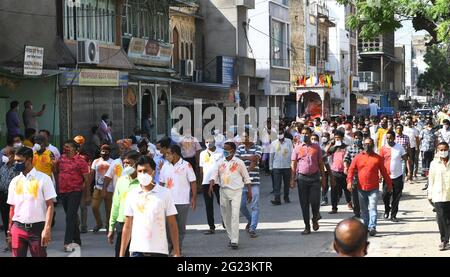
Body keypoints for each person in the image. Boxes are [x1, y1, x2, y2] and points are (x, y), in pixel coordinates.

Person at [119, 156, 180, 257]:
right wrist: (121, 254)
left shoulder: (165, 193)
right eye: (140, 171)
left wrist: (177, 251)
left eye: (146, 171)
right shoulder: (132, 194)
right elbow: (128, 225)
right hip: (137, 250)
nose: (143, 174)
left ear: (154, 172)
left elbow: (172, 224)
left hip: (159, 250)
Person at [7, 146, 56, 257]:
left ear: (29, 160)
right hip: (17, 228)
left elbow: (50, 205)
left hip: (37, 229)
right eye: (15, 161)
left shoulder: (44, 179)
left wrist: (47, 229)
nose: (16, 163)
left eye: (19, 161)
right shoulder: (15, 181)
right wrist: (10, 230)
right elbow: (12, 207)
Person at [208, 141, 252, 250]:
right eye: (224, 148)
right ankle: (231, 236)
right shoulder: (219, 162)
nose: (224, 151)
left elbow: (246, 177)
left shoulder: (239, 162)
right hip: (223, 191)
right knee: (226, 216)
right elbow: (214, 174)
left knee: (235, 215)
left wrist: (250, 191)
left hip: (237, 191)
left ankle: (235, 241)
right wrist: (211, 184)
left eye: (226, 149)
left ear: (232, 150)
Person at [347, 138, 392, 236]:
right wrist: (349, 182)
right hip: (361, 188)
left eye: (369, 144)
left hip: (373, 188)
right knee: (364, 210)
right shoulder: (358, 157)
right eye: (366, 144)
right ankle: (366, 226)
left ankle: (372, 226)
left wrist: (389, 185)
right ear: (363, 145)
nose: (367, 145)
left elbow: (384, 172)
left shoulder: (378, 158)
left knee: (373, 208)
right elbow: (351, 170)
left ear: (373, 145)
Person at [159, 145, 197, 255]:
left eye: (168, 154)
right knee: (167, 227)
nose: (166, 156)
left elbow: (193, 182)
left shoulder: (186, 165)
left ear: (174, 154)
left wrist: (193, 198)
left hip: (182, 201)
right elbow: (161, 183)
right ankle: (170, 247)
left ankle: (177, 249)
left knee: (180, 227)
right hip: (167, 202)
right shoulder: (165, 166)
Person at [290, 127, 327, 235]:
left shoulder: (316, 148)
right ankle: (307, 226)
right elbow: (293, 164)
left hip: (315, 178)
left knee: (315, 202)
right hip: (302, 179)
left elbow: (321, 164)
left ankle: (315, 218)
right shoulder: (297, 148)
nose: (304, 135)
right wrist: (292, 179)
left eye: (307, 133)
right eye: (303, 133)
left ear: (311, 134)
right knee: (304, 204)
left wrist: (324, 178)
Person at [55, 140, 90, 252]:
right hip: (63, 191)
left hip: (75, 191)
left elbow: (87, 179)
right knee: (72, 216)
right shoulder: (61, 159)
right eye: (64, 146)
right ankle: (77, 240)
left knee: (70, 217)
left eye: (68, 147)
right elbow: (56, 171)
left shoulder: (81, 161)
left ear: (75, 149)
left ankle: (68, 242)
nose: (65, 148)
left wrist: (87, 195)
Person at [108, 150, 141, 257]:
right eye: (124, 163)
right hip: (122, 222)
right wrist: (111, 227)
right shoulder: (121, 181)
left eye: (129, 163)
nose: (126, 165)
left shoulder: (143, 182)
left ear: (137, 163)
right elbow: (116, 205)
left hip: (139, 223)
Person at [236, 130, 262, 238]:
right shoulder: (239, 148)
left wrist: (244, 158)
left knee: (254, 205)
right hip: (242, 182)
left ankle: (252, 228)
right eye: (242, 137)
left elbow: (255, 159)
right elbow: (237, 161)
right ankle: (250, 219)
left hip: (254, 181)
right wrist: (249, 158)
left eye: (245, 136)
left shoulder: (258, 148)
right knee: (241, 206)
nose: (243, 139)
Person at [380, 131, 409, 222]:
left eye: (390, 138)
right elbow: (380, 162)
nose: (389, 139)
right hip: (387, 176)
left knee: (396, 196)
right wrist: (379, 174)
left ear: (394, 138)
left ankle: (393, 215)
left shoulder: (399, 147)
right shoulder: (383, 148)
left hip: (398, 175)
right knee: (385, 195)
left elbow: (405, 159)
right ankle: (387, 209)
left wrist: (409, 172)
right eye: (387, 138)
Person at [428, 142, 450, 251]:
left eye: (445, 149)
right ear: (437, 151)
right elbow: (430, 180)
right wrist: (430, 194)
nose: (443, 151)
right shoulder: (434, 164)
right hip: (438, 195)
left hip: (449, 195)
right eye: (440, 150)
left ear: (448, 149)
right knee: (441, 219)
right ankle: (444, 240)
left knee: (448, 219)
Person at [199, 137, 224, 234]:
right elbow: (201, 169)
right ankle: (211, 226)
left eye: (210, 142)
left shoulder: (221, 152)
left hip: (218, 182)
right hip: (206, 182)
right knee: (208, 205)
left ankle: (225, 221)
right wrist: (201, 181)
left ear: (215, 142)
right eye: (206, 142)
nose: (208, 143)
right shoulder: (202, 153)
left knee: (222, 203)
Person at [326, 131, 352, 214]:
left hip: (345, 172)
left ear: (342, 138)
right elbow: (325, 153)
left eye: (338, 138)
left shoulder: (346, 147)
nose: (337, 139)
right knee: (334, 190)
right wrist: (331, 144)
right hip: (334, 172)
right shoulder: (334, 148)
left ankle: (349, 202)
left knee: (347, 189)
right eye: (335, 138)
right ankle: (334, 207)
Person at [90, 144, 114, 232]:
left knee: (109, 209)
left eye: (106, 152)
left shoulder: (113, 162)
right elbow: (92, 174)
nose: (104, 153)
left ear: (109, 153)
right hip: (98, 188)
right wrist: (88, 185)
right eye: (102, 151)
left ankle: (108, 225)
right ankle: (99, 223)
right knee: (94, 206)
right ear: (100, 152)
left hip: (109, 189)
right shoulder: (95, 161)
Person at [0, 147, 18, 252]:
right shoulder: (3, 167)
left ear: (12, 155)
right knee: (6, 221)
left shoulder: (17, 168)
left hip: (14, 197)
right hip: (3, 196)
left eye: (7, 155)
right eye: (4, 155)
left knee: (14, 220)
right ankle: (9, 244)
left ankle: (17, 242)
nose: (4, 157)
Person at [269, 129, 293, 205]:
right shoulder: (273, 143)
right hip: (276, 166)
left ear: (283, 134)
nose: (280, 135)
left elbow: (292, 153)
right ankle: (277, 199)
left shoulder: (288, 141)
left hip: (287, 166)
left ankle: (286, 197)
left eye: (281, 133)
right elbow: (271, 155)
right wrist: (270, 167)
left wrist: (293, 165)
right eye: (278, 133)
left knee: (286, 183)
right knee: (277, 184)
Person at [343, 131, 364, 218]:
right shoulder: (350, 148)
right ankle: (357, 212)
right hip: (354, 175)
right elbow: (346, 159)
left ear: (362, 139)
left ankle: (364, 210)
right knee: (354, 195)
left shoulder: (365, 149)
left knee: (363, 195)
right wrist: (345, 167)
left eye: (359, 138)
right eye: (356, 138)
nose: (357, 139)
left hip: (364, 174)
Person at [319, 132, 332, 206]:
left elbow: (327, 152)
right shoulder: (319, 146)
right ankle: (324, 199)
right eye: (323, 136)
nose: (324, 138)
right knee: (324, 184)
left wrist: (330, 144)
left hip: (332, 167)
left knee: (334, 184)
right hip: (324, 168)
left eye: (326, 136)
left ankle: (337, 196)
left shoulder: (333, 145)